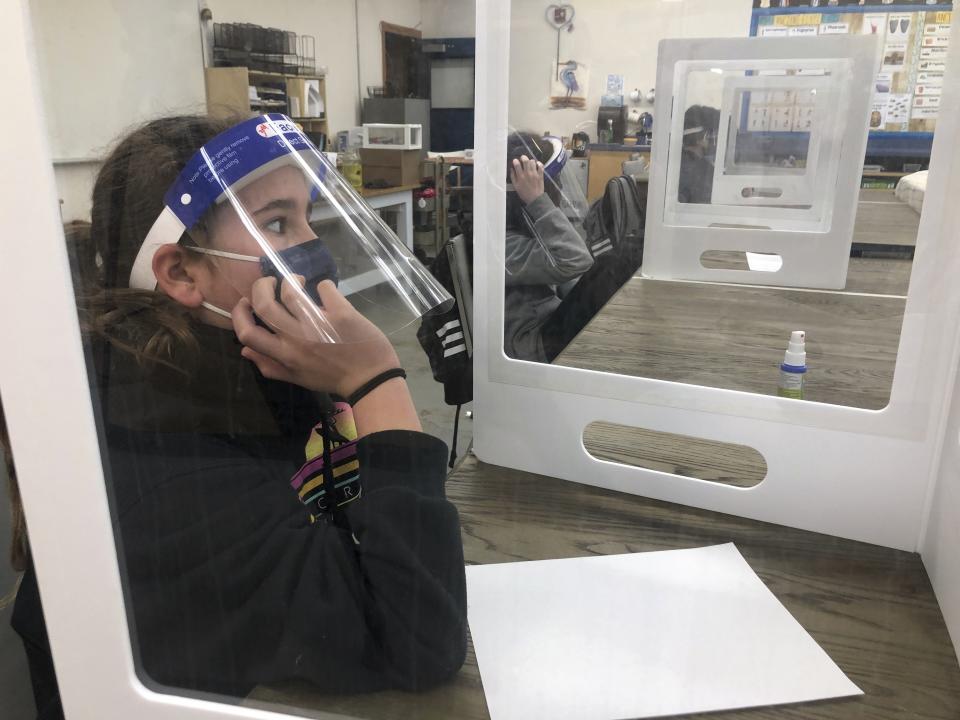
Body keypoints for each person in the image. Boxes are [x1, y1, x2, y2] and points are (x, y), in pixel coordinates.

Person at [9, 115, 467, 717]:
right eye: (278, 222)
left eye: (307, 216)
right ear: (180, 273)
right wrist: (376, 381)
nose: (315, 245)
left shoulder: (256, 363)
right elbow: (417, 639)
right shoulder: (159, 455)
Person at [503, 131, 644, 363]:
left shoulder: (525, 226)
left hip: (550, 320)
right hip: (533, 343)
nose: (559, 188)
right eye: (553, 183)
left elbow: (570, 275)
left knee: (626, 254)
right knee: (615, 263)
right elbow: (577, 260)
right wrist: (538, 201)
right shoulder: (505, 244)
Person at [677, 104, 720, 205]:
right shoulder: (697, 171)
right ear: (704, 137)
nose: (715, 140)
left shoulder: (678, 163)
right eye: (714, 134)